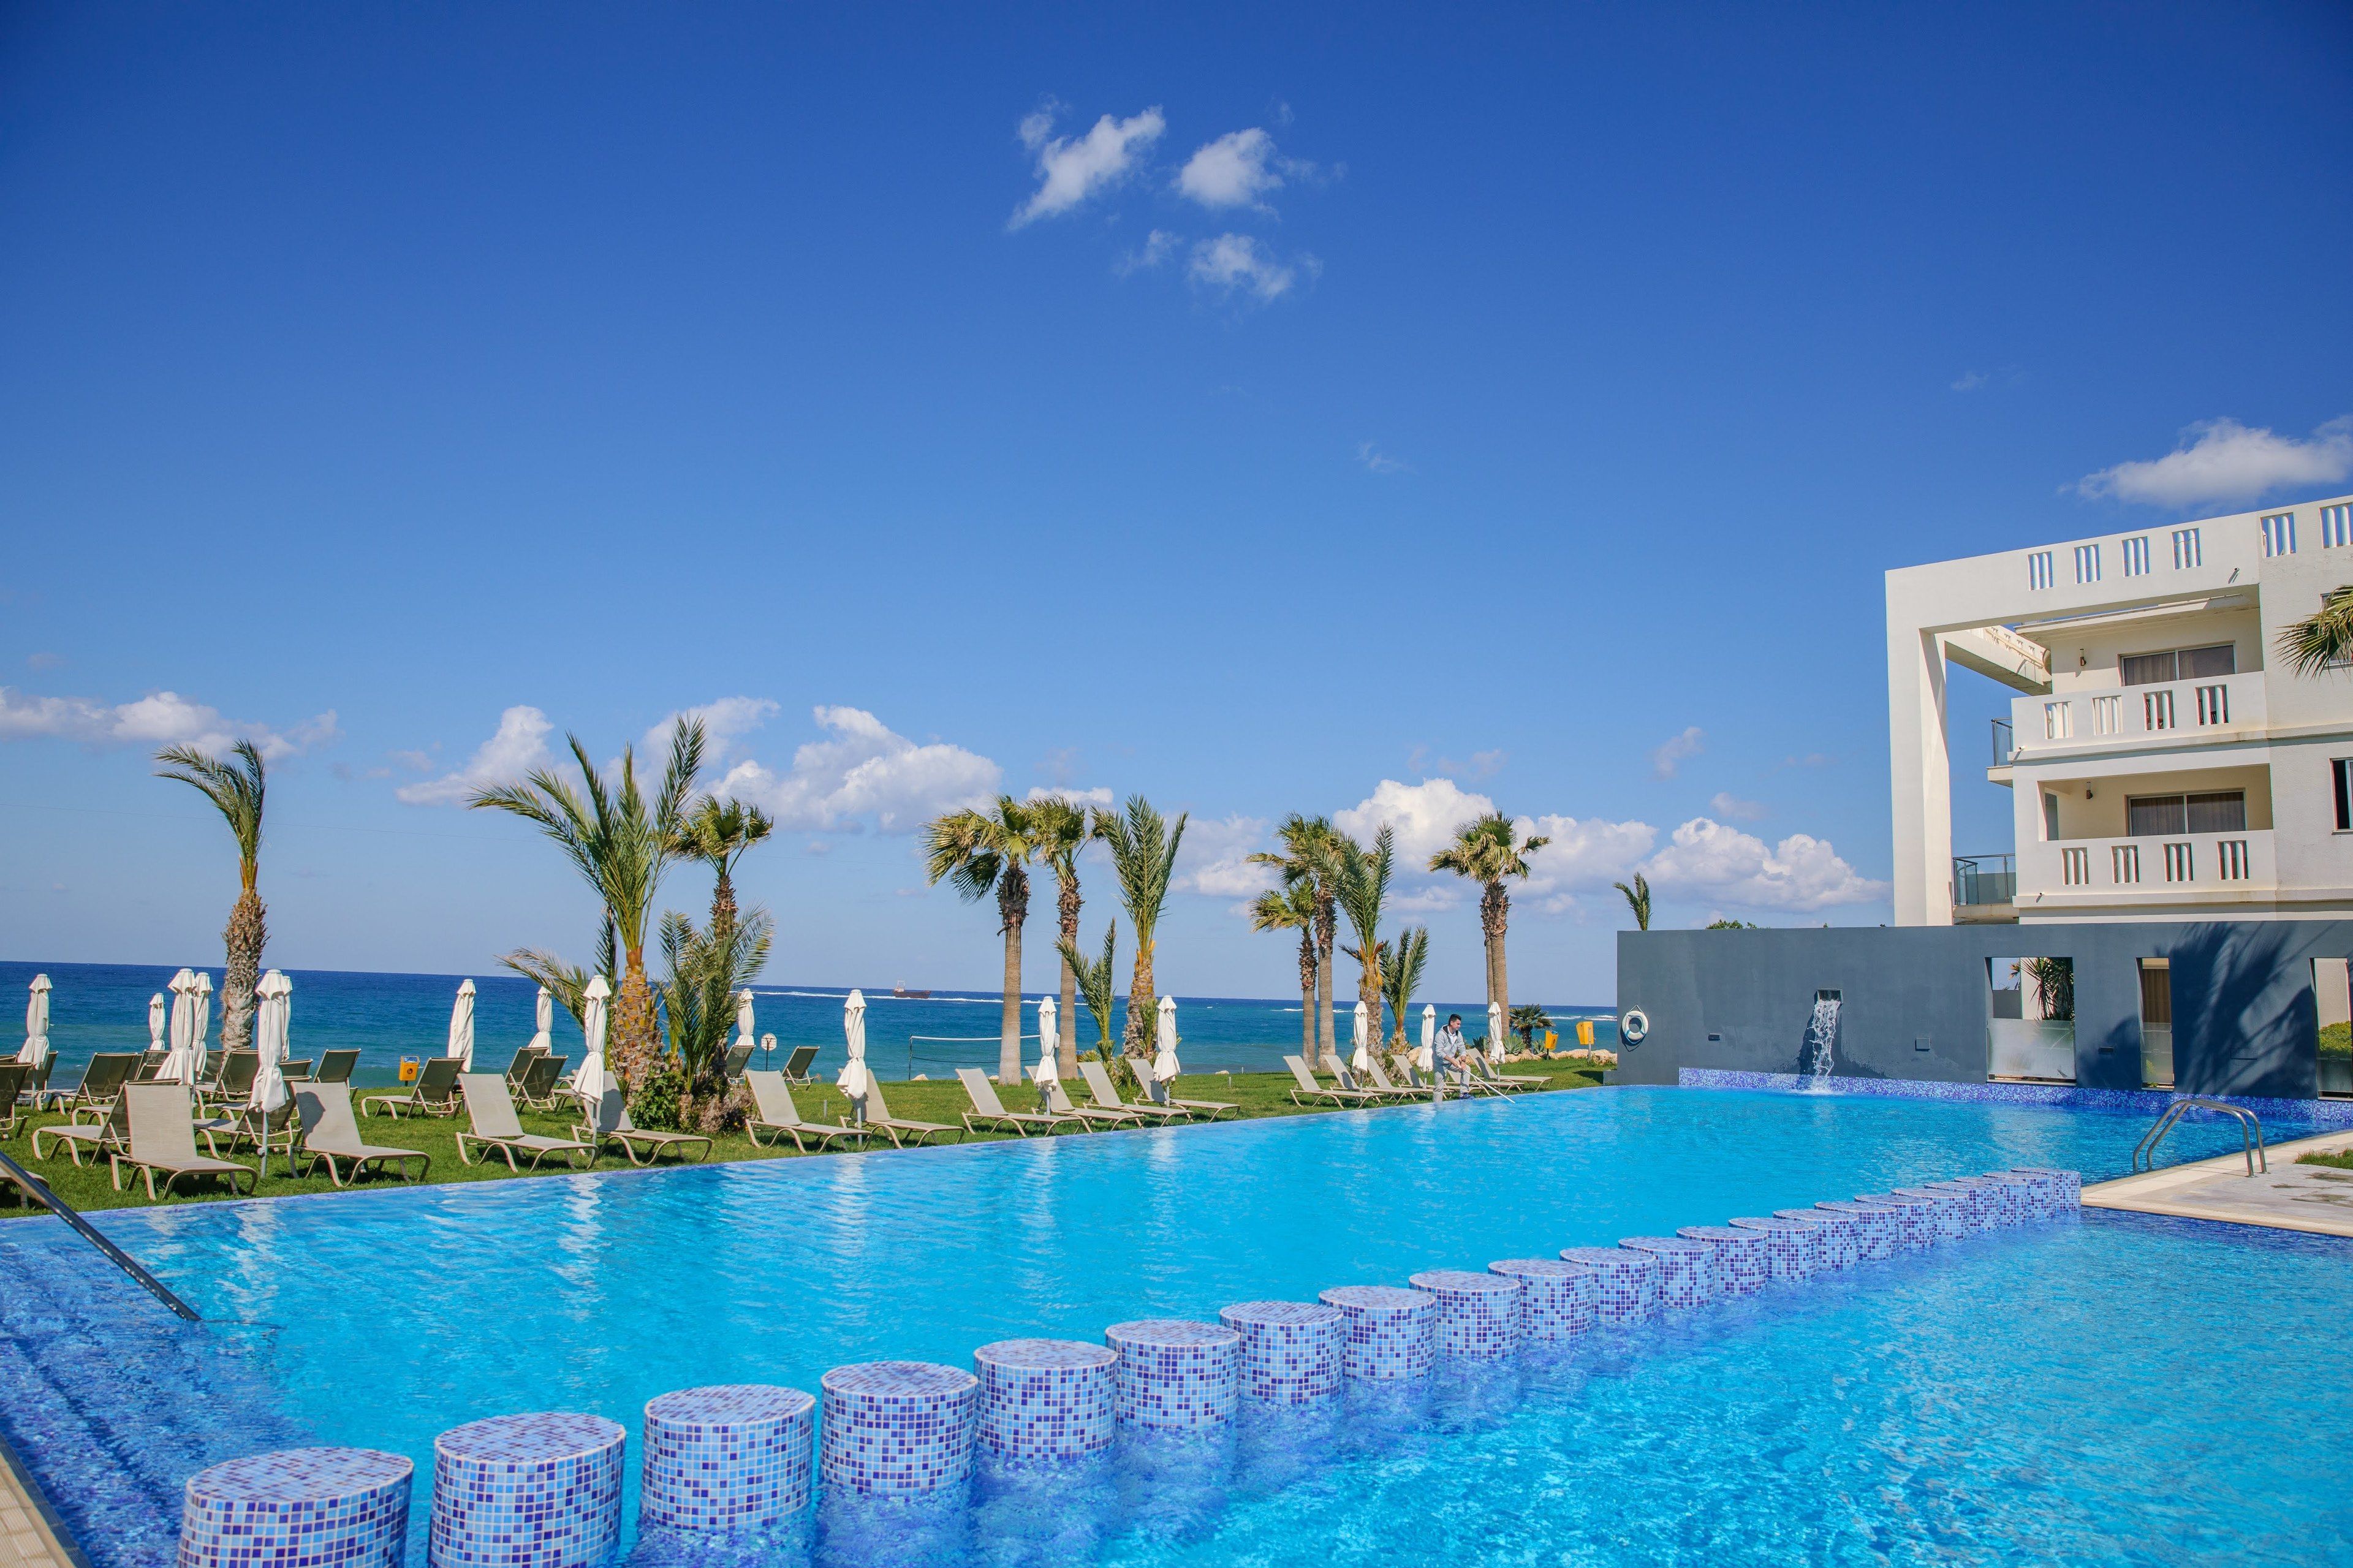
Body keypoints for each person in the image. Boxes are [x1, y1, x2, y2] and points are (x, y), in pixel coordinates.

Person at [1433, 1013, 1467, 1100]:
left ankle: (1463, 1094)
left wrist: (1463, 1062)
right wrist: (1452, 1060)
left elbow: (1462, 1048)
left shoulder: (1458, 1034)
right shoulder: (1440, 1035)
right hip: (1440, 1063)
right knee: (1439, 1088)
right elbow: (1439, 1052)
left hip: (1451, 1062)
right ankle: (1437, 1106)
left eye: (1460, 1024)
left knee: (1466, 1069)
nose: (1459, 1026)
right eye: (1458, 1024)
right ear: (1452, 1023)